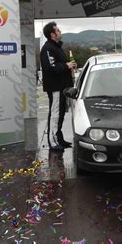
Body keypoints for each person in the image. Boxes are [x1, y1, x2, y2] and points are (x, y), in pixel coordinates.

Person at [40, 22, 76, 150]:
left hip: (63, 86)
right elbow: (51, 67)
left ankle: (59, 139)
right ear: (52, 34)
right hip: (55, 87)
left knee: (61, 114)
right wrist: (66, 66)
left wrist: (69, 66)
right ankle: (53, 142)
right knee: (55, 114)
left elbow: (60, 65)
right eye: (58, 30)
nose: (60, 32)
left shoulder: (57, 47)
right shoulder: (48, 48)